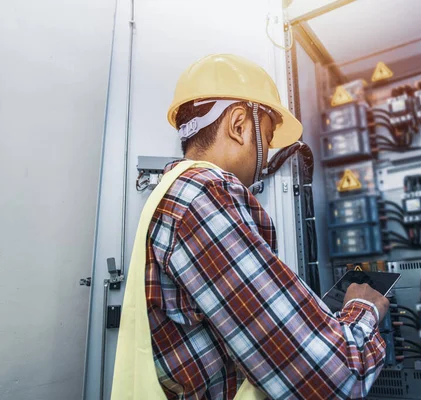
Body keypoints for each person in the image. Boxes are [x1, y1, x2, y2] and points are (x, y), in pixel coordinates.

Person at [112, 54, 389, 400]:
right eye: (269, 137)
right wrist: (363, 309)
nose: (267, 154)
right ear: (239, 124)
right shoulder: (202, 195)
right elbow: (336, 381)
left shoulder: (171, 194)